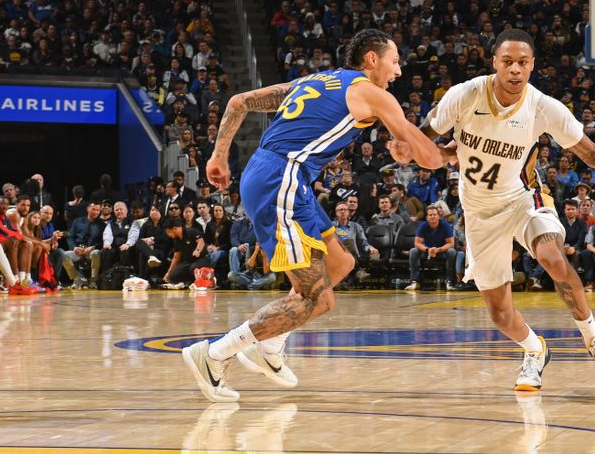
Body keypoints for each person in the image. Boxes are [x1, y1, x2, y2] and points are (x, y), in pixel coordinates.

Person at [183, 29, 443, 402]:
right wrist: (450, 154)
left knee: (340, 262)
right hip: (281, 179)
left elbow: (239, 101)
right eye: (395, 61)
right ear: (372, 59)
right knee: (319, 299)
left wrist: (218, 155)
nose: (399, 71)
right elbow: (429, 158)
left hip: (283, 176)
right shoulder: (371, 93)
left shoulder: (316, 80)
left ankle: (269, 347)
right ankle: (213, 354)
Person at [420, 29, 595, 390]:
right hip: (479, 212)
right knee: (500, 314)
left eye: (523, 63)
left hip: (523, 197)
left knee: (551, 256)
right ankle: (535, 350)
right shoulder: (465, 94)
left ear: (532, 66)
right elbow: (424, 135)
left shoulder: (543, 106)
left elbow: (592, 153)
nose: (515, 69)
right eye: (508, 62)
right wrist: (431, 152)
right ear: (494, 63)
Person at [406, 206, 457, 291]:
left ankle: (450, 281)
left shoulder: (445, 225)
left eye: (434, 214)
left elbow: (451, 243)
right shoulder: (423, 225)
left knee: (452, 251)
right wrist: (427, 249)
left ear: (438, 216)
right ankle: (415, 281)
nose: (432, 216)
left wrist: (439, 249)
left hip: (441, 251)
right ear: (427, 217)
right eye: (430, 215)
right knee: (413, 251)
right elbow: (417, 243)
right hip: (427, 251)